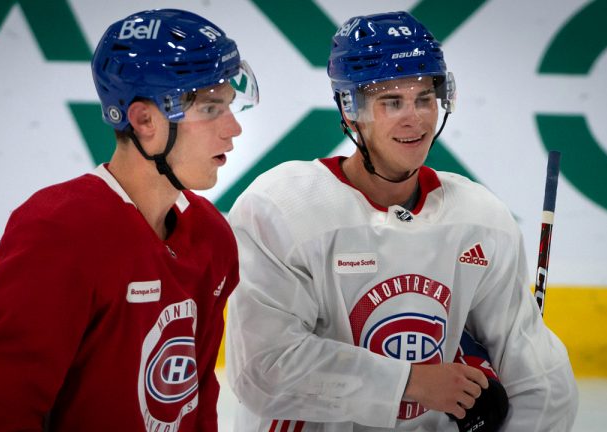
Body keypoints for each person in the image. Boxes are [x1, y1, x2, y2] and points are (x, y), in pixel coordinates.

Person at [225, 11, 577, 431]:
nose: (416, 118)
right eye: (392, 101)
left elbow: (542, 381)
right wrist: (410, 381)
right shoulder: (280, 208)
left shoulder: (480, 218)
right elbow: (264, 371)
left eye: (425, 98)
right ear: (349, 109)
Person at [0, 9, 258, 431]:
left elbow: (193, 401)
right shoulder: (60, 230)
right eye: (209, 108)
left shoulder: (213, 237)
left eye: (230, 106)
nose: (233, 128)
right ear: (145, 120)